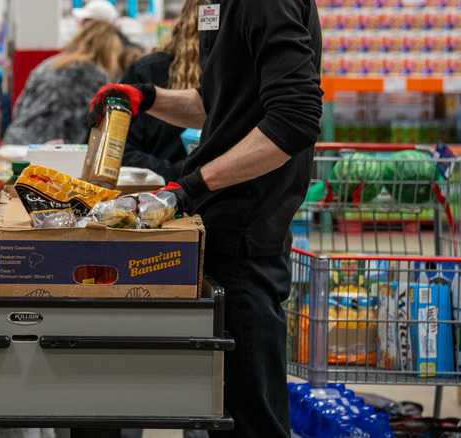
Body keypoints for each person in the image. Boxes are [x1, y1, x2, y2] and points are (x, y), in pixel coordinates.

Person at [88, 0, 323, 436]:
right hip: (223, 230)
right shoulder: (217, 5)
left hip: (243, 237)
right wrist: (147, 97)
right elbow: (216, 105)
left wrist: (190, 185)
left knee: (250, 420)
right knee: (222, 411)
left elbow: (296, 118)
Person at [2, 19, 123, 145]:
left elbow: (19, 106)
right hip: (54, 151)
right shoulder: (97, 77)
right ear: (108, 52)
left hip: (16, 141)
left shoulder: (50, 64)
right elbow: (95, 126)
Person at [118, 0, 200, 183]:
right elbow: (118, 150)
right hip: (158, 196)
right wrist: (177, 172)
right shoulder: (148, 72)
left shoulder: (240, 75)